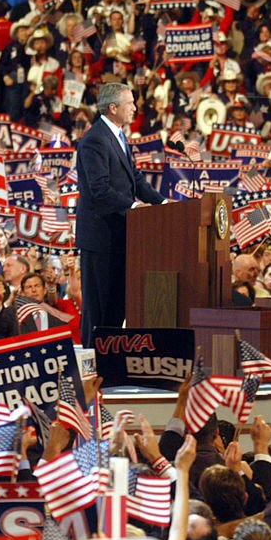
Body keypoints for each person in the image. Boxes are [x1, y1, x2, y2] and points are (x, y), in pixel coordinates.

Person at [75, 82, 163, 346]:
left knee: (115, 308)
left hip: (121, 237)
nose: (135, 108)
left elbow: (135, 179)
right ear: (113, 107)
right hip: (100, 239)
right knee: (98, 311)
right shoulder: (95, 140)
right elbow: (99, 189)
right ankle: (93, 369)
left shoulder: (117, 136)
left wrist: (163, 203)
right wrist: (134, 208)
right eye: (130, 103)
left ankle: (109, 366)